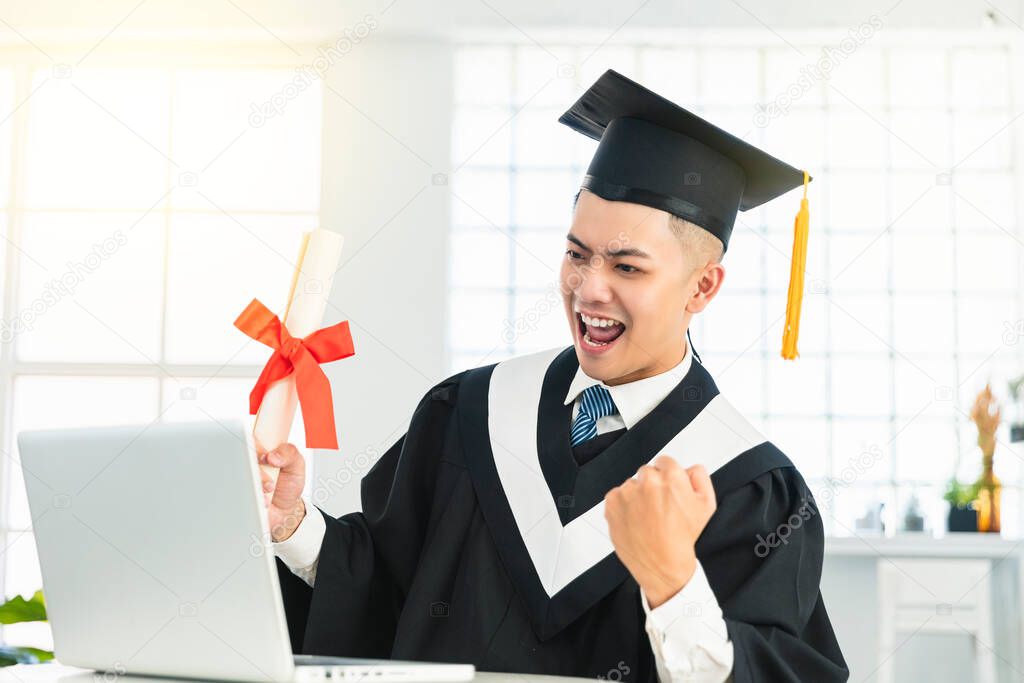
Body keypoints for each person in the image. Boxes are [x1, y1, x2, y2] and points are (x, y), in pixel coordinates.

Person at [259, 70, 848, 683]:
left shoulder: (752, 488)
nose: (589, 288)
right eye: (576, 253)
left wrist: (675, 586)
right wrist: (293, 526)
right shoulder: (469, 410)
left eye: (626, 266)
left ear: (702, 286)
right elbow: (385, 590)